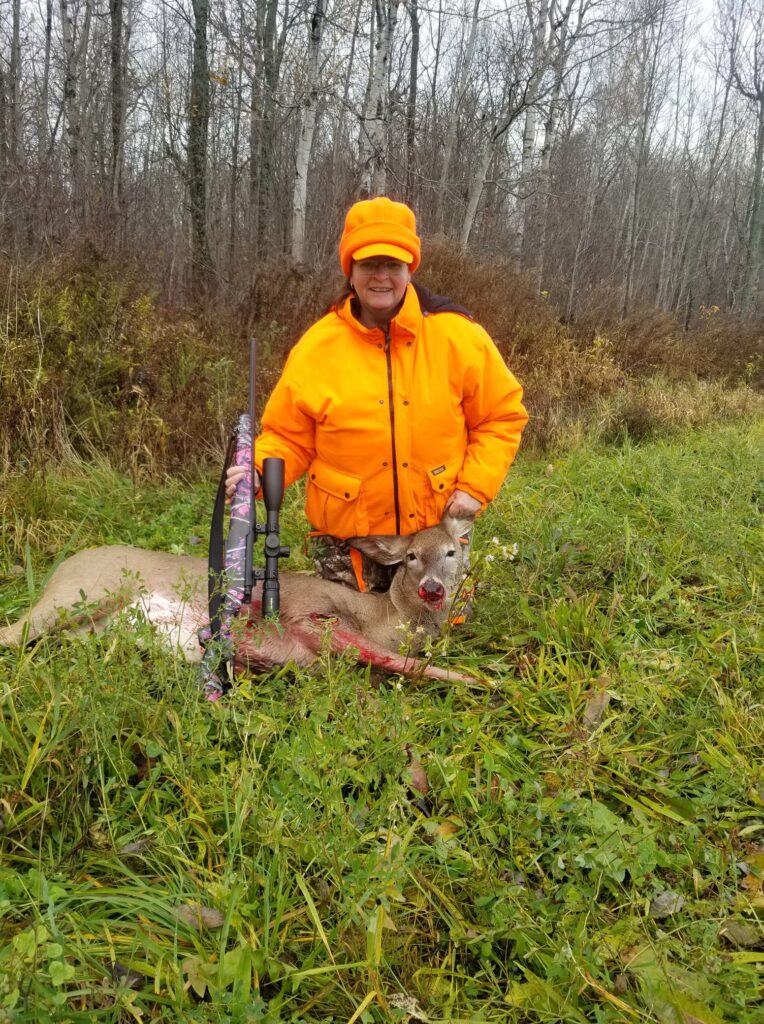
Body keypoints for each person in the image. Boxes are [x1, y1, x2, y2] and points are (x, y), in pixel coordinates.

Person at [227, 196, 528, 593]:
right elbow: (288, 437)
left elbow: (501, 416)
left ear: (410, 269)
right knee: (342, 643)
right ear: (350, 271)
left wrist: (474, 487)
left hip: (435, 538)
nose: (381, 276)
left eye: (393, 265)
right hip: (351, 546)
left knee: (434, 644)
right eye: (369, 264)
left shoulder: (457, 336)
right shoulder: (318, 347)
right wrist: (260, 473)